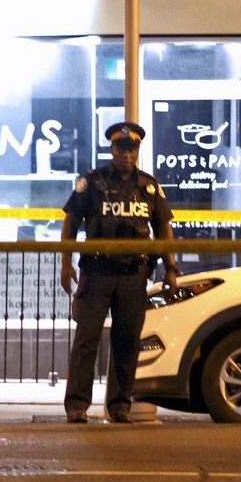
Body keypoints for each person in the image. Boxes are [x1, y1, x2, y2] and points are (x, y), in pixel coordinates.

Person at [59, 122, 177, 424]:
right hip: (96, 271)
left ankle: (120, 405)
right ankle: (77, 405)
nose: (127, 154)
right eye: (121, 149)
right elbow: (71, 222)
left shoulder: (149, 186)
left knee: (126, 341)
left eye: (132, 149)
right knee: (86, 339)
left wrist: (170, 268)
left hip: (133, 274)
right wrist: (65, 263)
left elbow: (163, 228)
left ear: (137, 151)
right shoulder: (93, 182)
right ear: (112, 150)